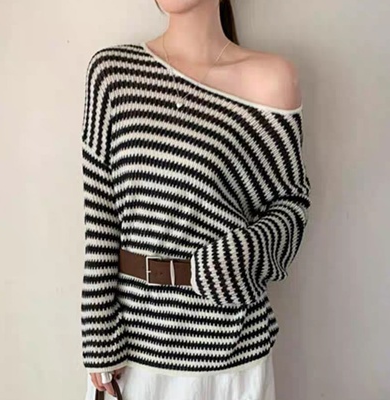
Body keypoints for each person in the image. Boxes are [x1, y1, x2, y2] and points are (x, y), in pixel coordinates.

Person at [80, 0, 311, 399]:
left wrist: (234, 257)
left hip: (231, 351)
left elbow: (291, 206)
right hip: (132, 354)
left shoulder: (271, 79)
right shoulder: (113, 75)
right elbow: (101, 219)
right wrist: (97, 332)